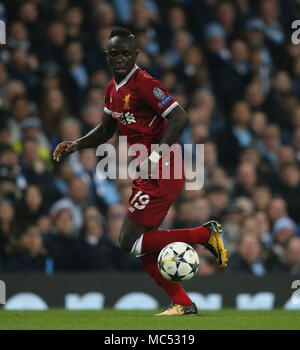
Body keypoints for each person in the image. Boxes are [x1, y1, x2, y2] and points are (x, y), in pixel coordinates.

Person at [53, 27, 227, 316]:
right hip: (147, 171)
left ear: (135, 55)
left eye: (124, 53)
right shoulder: (112, 89)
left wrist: (157, 154)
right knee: (142, 247)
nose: (119, 58)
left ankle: (203, 234)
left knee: (127, 241)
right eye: (113, 54)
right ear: (107, 56)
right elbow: (107, 129)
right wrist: (76, 144)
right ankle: (183, 303)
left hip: (164, 168)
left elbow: (180, 117)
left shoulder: (145, 83)